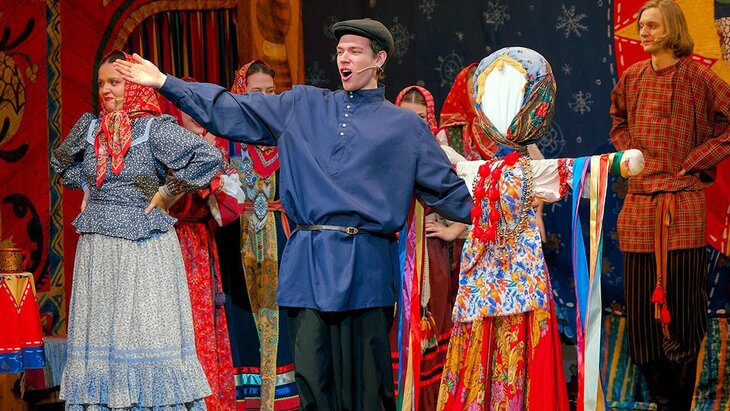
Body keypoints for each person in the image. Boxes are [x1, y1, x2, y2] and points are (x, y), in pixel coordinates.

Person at [114, 18, 472, 411]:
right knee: (313, 384)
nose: (344, 59)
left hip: (366, 266)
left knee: (369, 389)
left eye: (354, 52)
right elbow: (231, 108)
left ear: (379, 59)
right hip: (308, 263)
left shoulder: (405, 127)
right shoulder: (303, 105)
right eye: (340, 51)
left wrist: (505, 198)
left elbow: (452, 193)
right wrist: (165, 82)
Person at [51, 50, 222, 410]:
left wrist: (167, 193)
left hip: (143, 247)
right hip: (99, 249)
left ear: (133, 86)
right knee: (104, 335)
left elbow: (207, 158)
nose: (105, 90)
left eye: (114, 82)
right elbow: (60, 162)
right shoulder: (91, 129)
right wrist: (88, 185)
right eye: (101, 83)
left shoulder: (153, 129)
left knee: (143, 332)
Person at [610, 1, 730, 408]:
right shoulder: (632, 78)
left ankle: (677, 402)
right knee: (642, 315)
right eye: (641, 26)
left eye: (652, 26)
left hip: (682, 205)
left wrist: (696, 160)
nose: (643, 32)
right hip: (640, 207)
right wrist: (632, 156)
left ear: (672, 30)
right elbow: (618, 120)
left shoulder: (698, 77)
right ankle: (662, 401)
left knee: (682, 308)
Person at [436, 47, 570, 411]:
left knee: (520, 337)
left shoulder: (524, 152)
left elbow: (560, 178)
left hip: (519, 268)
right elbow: (458, 180)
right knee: (479, 340)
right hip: (481, 267)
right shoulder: (461, 147)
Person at [216, 60, 300, 410]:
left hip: (281, 238)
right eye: (255, 92)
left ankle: (283, 400)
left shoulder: (288, 137)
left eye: (270, 92)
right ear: (239, 93)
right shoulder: (224, 140)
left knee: (284, 319)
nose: (264, 99)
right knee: (242, 321)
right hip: (237, 241)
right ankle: (248, 399)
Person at [159, 84, 237, 411]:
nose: (194, 115)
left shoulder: (216, 149)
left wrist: (214, 169)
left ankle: (209, 402)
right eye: (187, 107)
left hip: (201, 247)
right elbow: (156, 197)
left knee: (202, 326)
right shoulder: (163, 146)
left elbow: (230, 210)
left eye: (199, 107)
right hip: (168, 242)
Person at [392, 85, 468, 410]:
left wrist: (453, 230)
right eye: (407, 116)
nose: (415, 123)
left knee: (431, 321)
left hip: (430, 254)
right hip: (392, 251)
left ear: (431, 119)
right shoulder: (384, 147)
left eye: (422, 117)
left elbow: (476, 192)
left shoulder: (443, 154)